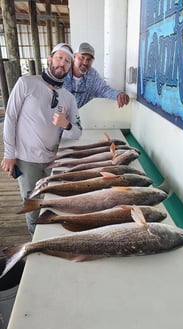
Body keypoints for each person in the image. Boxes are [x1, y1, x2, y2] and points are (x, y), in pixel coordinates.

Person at [1, 43, 82, 235]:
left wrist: (66, 124)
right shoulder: (26, 83)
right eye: (59, 57)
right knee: (32, 204)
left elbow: (78, 131)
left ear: (70, 67)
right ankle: (34, 240)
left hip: (54, 161)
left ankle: (52, 237)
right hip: (27, 159)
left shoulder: (68, 98)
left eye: (67, 61)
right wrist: (9, 154)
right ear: (50, 58)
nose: (62, 63)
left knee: (55, 202)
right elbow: (10, 118)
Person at [63, 42, 130, 108]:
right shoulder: (63, 71)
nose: (85, 62)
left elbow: (103, 90)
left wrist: (118, 94)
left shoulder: (92, 75)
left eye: (89, 59)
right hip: (60, 115)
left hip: (82, 116)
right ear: (74, 56)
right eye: (81, 58)